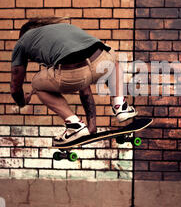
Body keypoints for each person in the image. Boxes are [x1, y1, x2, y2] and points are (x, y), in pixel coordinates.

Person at [10, 17, 137, 145]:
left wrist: (22, 101)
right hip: (102, 61)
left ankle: (74, 124)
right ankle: (120, 105)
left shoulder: (22, 42)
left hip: (73, 72)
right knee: (112, 59)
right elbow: (84, 85)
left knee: (37, 83)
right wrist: (92, 125)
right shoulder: (64, 29)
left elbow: (15, 87)